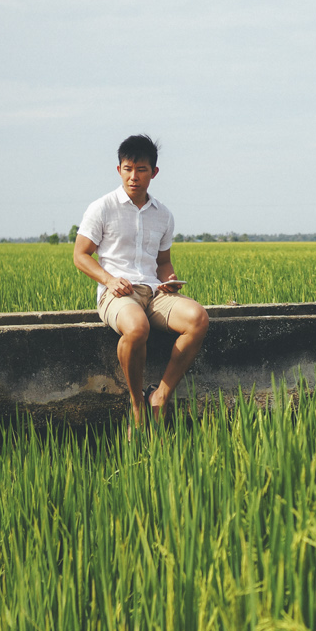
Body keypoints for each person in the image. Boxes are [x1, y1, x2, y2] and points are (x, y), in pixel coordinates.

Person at [73, 134, 209, 429]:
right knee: (137, 328)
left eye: (141, 170)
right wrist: (109, 280)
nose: (133, 177)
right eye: (127, 169)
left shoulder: (164, 215)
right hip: (119, 295)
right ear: (119, 169)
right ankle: (137, 403)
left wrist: (169, 280)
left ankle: (160, 395)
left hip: (155, 292)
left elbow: (162, 263)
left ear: (154, 172)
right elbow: (80, 256)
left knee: (198, 318)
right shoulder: (102, 208)